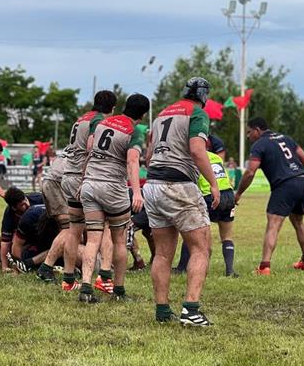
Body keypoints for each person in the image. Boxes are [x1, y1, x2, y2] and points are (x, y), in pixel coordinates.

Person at [141, 78, 223, 326]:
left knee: (162, 253)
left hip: (153, 184)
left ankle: (162, 310)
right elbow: (197, 150)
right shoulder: (197, 113)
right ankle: (191, 310)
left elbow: (148, 156)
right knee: (201, 248)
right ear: (203, 95)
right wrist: (214, 183)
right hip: (178, 185)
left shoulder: (162, 115)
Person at [36, 91, 116, 289]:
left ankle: (68, 277)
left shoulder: (81, 119)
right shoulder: (98, 121)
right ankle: (48, 267)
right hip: (72, 178)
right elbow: (91, 147)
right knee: (81, 228)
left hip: (63, 176)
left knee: (74, 229)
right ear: (112, 108)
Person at [75, 94, 149, 303]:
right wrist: (137, 192)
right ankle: (118, 290)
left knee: (93, 239)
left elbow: (90, 152)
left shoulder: (103, 123)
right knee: (119, 240)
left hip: (90, 184)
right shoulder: (134, 131)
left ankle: (86, 288)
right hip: (112, 188)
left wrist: (83, 181)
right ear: (143, 114)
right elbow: (132, 161)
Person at [233, 117, 304, 274]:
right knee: (298, 222)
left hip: (285, 185)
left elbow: (250, 172)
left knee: (273, 225)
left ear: (257, 130)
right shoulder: (286, 138)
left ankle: (264, 267)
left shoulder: (259, 144)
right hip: (303, 182)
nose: (248, 136)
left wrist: (239, 193)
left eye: (249, 132)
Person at [173, 133, 237, 277]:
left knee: (193, 232)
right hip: (228, 195)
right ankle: (230, 270)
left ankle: (182, 268)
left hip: (210, 196)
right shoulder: (216, 157)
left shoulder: (194, 158)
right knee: (227, 235)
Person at [0, 187, 45, 272]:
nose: (27, 205)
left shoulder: (40, 199)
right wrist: (4, 267)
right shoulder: (10, 214)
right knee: (6, 238)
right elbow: (5, 242)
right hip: (24, 233)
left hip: (43, 231)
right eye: (22, 205)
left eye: (26, 200)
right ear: (14, 208)